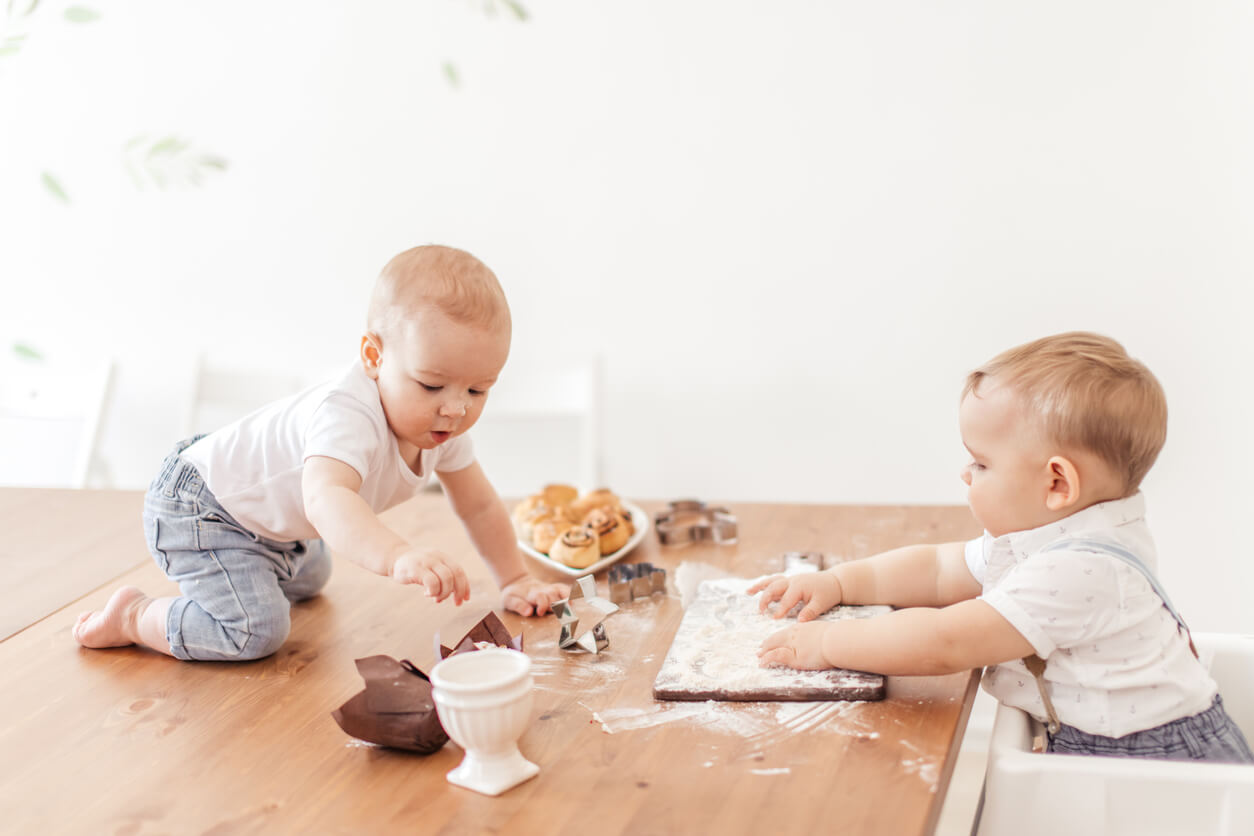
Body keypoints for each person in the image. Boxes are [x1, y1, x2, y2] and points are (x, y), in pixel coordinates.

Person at [753, 332, 1253, 761]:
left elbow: (944, 643)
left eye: (983, 463)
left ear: (1057, 483)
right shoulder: (1056, 532)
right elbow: (938, 569)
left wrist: (825, 645)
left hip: (1158, 767)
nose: (966, 473)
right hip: (1114, 745)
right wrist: (841, 582)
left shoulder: (1081, 570)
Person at [74, 245, 569, 661]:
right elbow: (328, 498)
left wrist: (515, 578)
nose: (455, 410)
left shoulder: (442, 420)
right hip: (200, 505)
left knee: (313, 574)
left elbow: (479, 504)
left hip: (263, 520)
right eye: (432, 384)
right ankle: (137, 616)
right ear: (374, 358)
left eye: (478, 391)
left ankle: (247, 570)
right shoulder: (347, 414)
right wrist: (398, 554)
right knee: (257, 631)